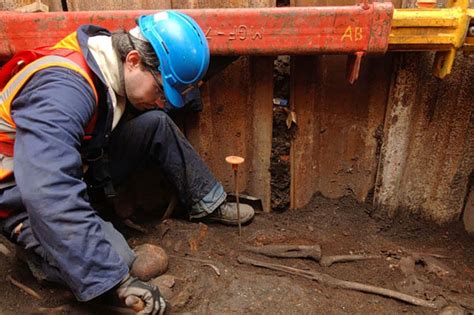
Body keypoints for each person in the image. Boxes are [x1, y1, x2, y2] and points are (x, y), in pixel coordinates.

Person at [0, 10, 254, 314]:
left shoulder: (110, 57)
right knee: (115, 263)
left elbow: (160, 93)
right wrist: (117, 281)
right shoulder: (65, 89)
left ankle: (207, 202)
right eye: (161, 91)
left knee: (156, 123)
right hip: (19, 194)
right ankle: (37, 251)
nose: (163, 101)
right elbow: (47, 190)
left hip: (76, 164)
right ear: (133, 60)